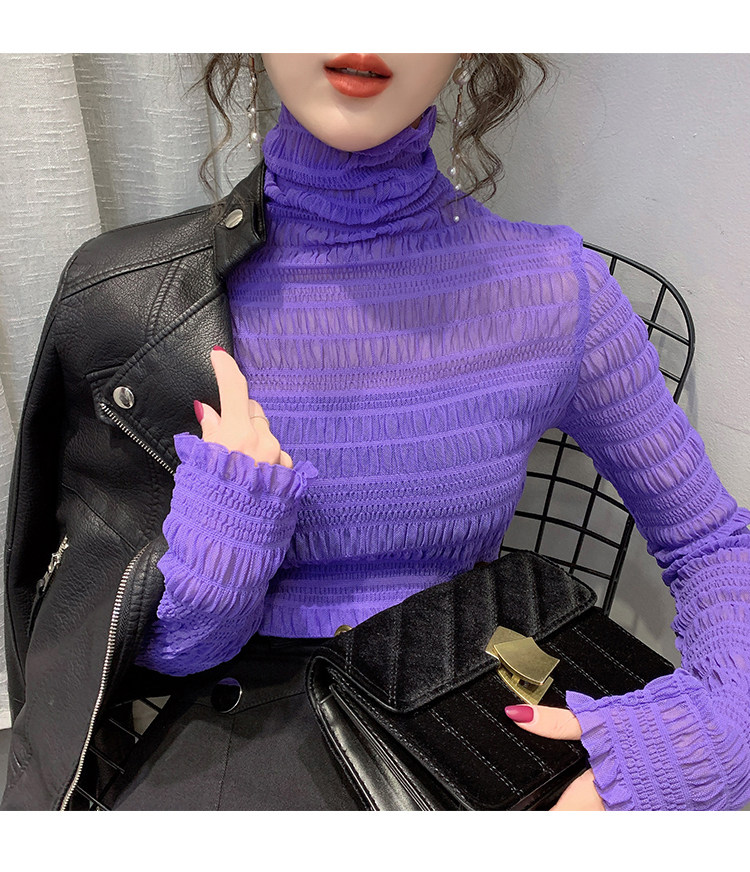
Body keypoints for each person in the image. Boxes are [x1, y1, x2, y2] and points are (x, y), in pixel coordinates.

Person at [3, 53, 749, 811]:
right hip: (231, 771)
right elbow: (93, 657)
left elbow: (714, 543)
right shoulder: (137, 297)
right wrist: (226, 541)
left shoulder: (557, 291)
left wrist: (703, 742)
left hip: (460, 745)